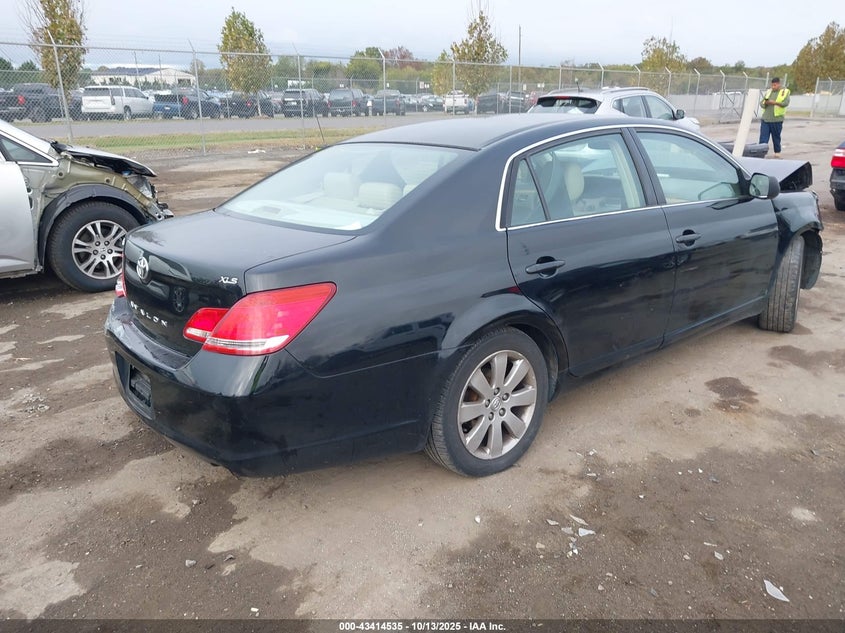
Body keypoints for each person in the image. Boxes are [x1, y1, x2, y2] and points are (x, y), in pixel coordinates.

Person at [759, 77, 791, 158]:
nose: (773, 87)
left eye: (775, 85)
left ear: (779, 84)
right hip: (766, 119)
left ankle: (777, 152)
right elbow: (762, 103)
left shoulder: (785, 92)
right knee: (763, 137)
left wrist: (775, 103)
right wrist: (766, 103)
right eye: (772, 85)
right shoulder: (769, 92)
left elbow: (785, 103)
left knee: (776, 137)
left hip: (776, 119)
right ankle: (761, 153)